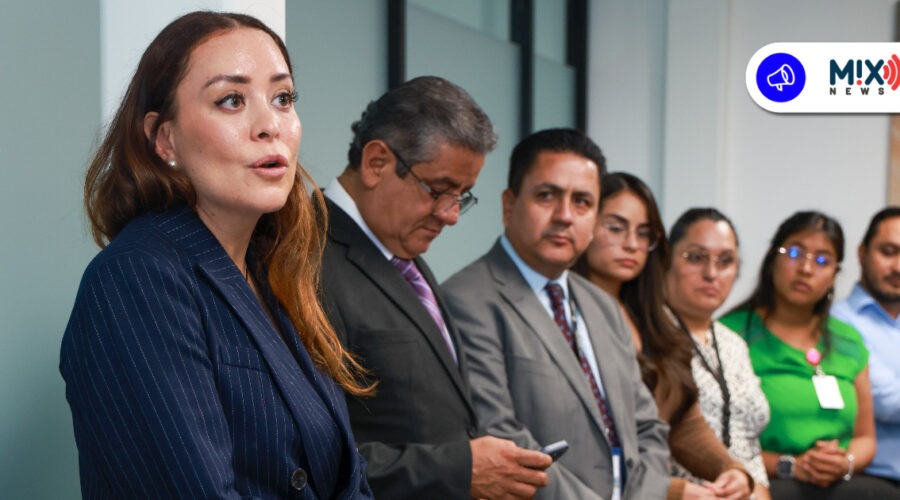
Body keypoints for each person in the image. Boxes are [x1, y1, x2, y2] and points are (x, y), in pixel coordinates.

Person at [60, 11, 372, 498]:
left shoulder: (273, 271)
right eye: (231, 100)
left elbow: (347, 478)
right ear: (164, 138)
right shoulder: (137, 277)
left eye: (283, 98)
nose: (270, 125)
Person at [320, 76, 550, 499]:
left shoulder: (402, 252)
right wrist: (459, 471)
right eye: (439, 191)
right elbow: (310, 454)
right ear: (376, 162)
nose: (451, 215)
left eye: (462, 196)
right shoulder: (304, 256)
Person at [442, 129, 672, 499]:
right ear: (509, 205)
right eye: (547, 195)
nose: (565, 216)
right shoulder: (466, 301)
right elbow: (501, 436)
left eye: (582, 202)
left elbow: (648, 429)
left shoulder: (603, 306)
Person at [573, 172, 753, 500]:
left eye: (644, 233)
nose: (632, 244)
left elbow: (683, 421)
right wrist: (675, 491)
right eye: (616, 228)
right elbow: (587, 444)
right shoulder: (563, 311)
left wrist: (730, 469)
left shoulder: (653, 320)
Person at [720, 211, 895, 499]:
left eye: (823, 260)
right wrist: (791, 466)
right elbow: (712, 440)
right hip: (761, 484)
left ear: (835, 275)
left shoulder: (848, 340)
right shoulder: (730, 335)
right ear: (772, 258)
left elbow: (865, 439)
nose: (806, 268)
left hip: (842, 486)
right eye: (794, 253)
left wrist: (844, 462)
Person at [665, 208, 771, 499]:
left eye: (725, 261)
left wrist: (756, 488)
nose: (711, 273)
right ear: (665, 260)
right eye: (695, 257)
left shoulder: (733, 343)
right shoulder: (649, 332)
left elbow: (748, 442)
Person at [830, 207, 900, 490]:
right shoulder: (839, 321)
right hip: (875, 480)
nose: (898, 267)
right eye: (888, 252)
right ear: (862, 253)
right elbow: (888, 402)